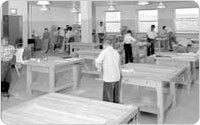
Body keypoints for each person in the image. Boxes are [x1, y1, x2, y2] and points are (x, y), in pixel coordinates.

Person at [95, 38, 121, 103]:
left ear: (104, 45)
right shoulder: (116, 52)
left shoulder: (104, 52)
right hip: (117, 77)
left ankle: (108, 111)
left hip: (109, 78)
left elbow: (98, 61)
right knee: (115, 97)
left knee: (108, 99)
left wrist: (99, 69)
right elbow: (119, 64)